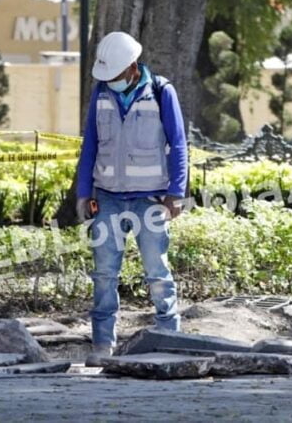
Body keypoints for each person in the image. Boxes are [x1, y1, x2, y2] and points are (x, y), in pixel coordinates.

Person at [76, 31, 188, 358]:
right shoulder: (100, 95)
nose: (110, 81)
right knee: (104, 274)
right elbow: (90, 146)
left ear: (132, 67)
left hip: (150, 199)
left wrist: (175, 193)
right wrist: (85, 192)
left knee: (157, 272)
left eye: (114, 75)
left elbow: (178, 144)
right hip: (108, 197)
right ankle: (102, 343)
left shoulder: (161, 92)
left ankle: (169, 338)